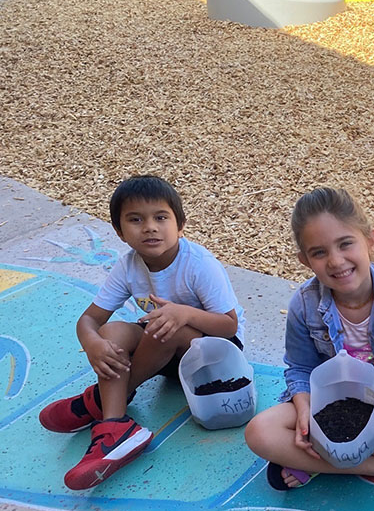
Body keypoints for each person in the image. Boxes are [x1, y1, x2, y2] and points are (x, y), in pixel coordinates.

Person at [39, 175, 246, 490]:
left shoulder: (198, 264)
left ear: (180, 224)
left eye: (160, 217)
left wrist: (185, 313)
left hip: (217, 357)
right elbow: (89, 320)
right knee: (112, 332)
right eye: (136, 220)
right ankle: (116, 425)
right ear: (120, 232)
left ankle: (100, 403)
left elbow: (229, 325)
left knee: (165, 326)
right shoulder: (129, 265)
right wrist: (93, 342)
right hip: (164, 352)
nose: (150, 227)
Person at [244, 187, 374, 489]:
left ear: (370, 240)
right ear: (305, 260)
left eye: (345, 244)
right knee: (260, 432)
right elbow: (300, 369)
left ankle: (317, 462)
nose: (335, 261)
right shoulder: (303, 305)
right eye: (319, 252)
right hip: (328, 408)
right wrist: (304, 409)